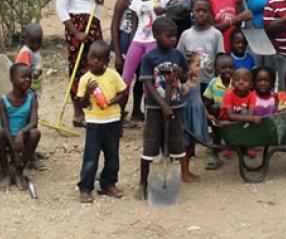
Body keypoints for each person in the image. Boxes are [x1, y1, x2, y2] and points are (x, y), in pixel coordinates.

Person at [136, 17, 188, 200]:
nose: (173, 39)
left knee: (174, 143)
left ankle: (168, 179)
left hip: (176, 105)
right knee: (150, 144)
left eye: (175, 36)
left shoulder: (178, 55)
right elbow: (147, 83)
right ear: (156, 36)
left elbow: (185, 78)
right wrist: (162, 104)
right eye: (168, 36)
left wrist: (181, 74)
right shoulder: (149, 57)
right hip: (155, 107)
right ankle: (143, 183)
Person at [56, 0, 104, 128]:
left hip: (93, 23)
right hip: (77, 25)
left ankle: (93, 106)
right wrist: (76, 32)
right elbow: (60, 8)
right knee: (78, 68)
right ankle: (77, 113)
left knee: (96, 65)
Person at [75, 40, 127, 203]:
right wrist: (88, 93)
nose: (95, 61)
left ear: (106, 61)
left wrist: (112, 102)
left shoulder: (113, 75)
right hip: (94, 123)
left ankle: (108, 184)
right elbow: (82, 104)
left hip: (112, 121)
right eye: (92, 57)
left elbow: (124, 92)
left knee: (112, 156)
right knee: (91, 157)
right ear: (87, 58)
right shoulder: (85, 79)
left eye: (100, 58)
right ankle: (85, 187)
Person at [121, 0, 173, 123]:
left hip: (154, 41)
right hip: (138, 40)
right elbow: (134, 25)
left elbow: (181, 8)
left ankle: (151, 118)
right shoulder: (136, 2)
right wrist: (131, 45)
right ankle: (118, 116)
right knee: (125, 78)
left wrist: (165, 10)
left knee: (150, 79)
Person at [0, 64, 41, 191]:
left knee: (35, 133)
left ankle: (19, 171)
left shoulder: (32, 99)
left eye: (29, 77)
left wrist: (21, 133)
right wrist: (14, 149)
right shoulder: (3, 100)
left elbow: (33, 122)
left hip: (23, 137)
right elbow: (5, 125)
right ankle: (7, 174)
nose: (28, 80)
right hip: (7, 136)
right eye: (23, 77)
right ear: (12, 79)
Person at [176, 0, 225, 93]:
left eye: (204, 11)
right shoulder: (186, 34)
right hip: (190, 82)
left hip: (209, 82)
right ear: (193, 12)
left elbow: (220, 60)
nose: (201, 14)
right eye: (198, 10)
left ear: (210, 13)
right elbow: (179, 57)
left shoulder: (216, 34)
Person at [110, 0, 141, 121]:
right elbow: (114, 26)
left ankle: (136, 110)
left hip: (139, 42)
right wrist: (117, 54)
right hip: (123, 42)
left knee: (141, 78)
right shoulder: (123, 1)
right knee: (124, 80)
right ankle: (119, 113)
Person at [181, 52, 209, 183]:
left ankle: (187, 170)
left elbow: (199, 101)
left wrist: (207, 114)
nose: (200, 67)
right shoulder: (184, 85)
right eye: (197, 65)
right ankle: (184, 173)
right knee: (185, 146)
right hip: (188, 118)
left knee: (191, 146)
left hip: (196, 117)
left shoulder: (195, 81)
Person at [15, 23, 44, 98]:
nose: (36, 45)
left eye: (39, 42)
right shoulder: (26, 52)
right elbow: (22, 72)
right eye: (33, 42)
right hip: (27, 89)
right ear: (25, 39)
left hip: (33, 87)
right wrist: (34, 74)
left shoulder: (33, 50)